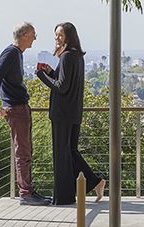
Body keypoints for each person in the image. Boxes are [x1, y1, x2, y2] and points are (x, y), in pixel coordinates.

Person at [36, 21, 104, 206]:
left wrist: (42, 76)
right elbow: (64, 81)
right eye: (56, 35)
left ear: (69, 37)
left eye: (60, 35)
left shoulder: (66, 56)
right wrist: (51, 72)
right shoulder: (77, 56)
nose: (57, 39)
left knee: (61, 155)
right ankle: (94, 181)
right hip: (73, 112)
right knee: (70, 152)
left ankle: (64, 197)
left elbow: (61, 87)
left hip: (62, 113)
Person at [0, 21, 47, 206]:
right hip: (16, 109)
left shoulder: (17, 54)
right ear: (24, 35)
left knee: (27, 151)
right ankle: (26, 193)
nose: (34, 39)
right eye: (33, 35)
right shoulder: (11, 53)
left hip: (21, 107)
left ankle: (28, 191)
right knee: (23, 152)